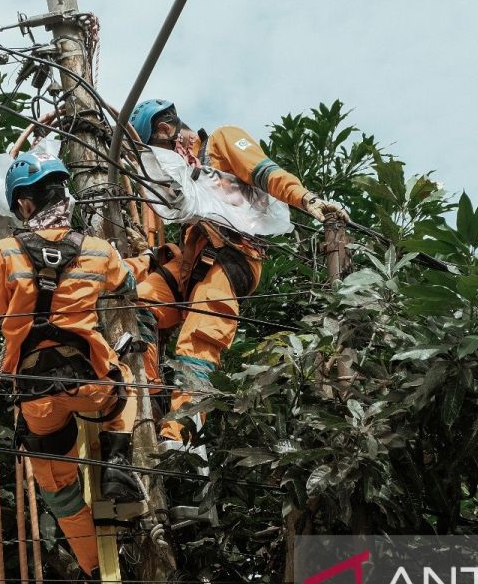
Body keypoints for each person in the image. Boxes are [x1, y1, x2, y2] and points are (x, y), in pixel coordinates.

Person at [0, 151, 144, 584]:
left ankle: (99, 576)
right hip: (90, 381)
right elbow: (128, 281)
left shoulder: (5, 251)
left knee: (57, 485)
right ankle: (116, 461)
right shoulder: (97, 249)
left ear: (24, 204)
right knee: (125, 386)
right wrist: (142, 255)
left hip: (35, 394)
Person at [127, 99, 349, 449]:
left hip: (231, 258)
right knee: (136, 305)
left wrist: (307, 200)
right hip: (191, 267)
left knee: (199, 338)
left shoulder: (219, 143)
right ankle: (152, 399)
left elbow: (264, 170)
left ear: (166, 129)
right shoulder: (181, 179)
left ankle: (184, 437)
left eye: (157, 147)